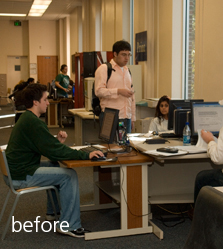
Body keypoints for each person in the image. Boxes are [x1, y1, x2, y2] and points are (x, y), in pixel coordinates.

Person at [5, 83, 103, 238]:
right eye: (45, 99)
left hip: (17, 170)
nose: (48, 102)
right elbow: (55, 151)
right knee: (68, 175)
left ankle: (53, 211)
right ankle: (69, 225)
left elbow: (46, 148)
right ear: (36, 102)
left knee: (53, 164)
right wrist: (86, 155)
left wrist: (55, 142)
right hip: (20, 175)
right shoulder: (34, 122)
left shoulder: (27, 118)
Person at [95, 40, 135, 133]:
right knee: (110, 145)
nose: (127, 58)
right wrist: (118, 91)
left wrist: (132, 117)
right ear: (115, 54)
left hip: (126, 117)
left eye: (129, 55)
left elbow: (132, 96)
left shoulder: (127, 71)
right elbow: (98, 91)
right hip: (110, 116)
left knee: (125, 145)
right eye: (124, 54)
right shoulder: (104, 69)